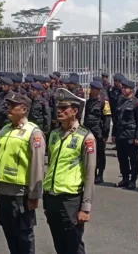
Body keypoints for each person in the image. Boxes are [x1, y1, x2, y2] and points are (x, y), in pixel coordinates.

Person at [44, 88, 96, 254]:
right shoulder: (53, 135)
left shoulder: (85, 137)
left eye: (63, 108)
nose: (59, 111)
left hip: (71, 199)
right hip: (52, 197)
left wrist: (85, 207)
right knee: (59, 244)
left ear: (74, 111)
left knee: (73, 245)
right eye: (58, 108)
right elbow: (52, 163)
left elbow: (89, 174)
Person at [0, 92, 46, 254]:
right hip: (4, 191)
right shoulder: (5, 129)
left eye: (12, 106)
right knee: (9, 232)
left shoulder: (34, 133)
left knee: (23, 235)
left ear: (24, 109)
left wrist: (34, 195)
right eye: (8, 105)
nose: (8, 108)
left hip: (21, 194)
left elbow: (37, 167)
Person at [113, 78, 138, 190]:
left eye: (126, 88)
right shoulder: (120, 101)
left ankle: (133, 181)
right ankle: (125, 179)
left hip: (131, 135)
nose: (123, 90)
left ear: (131, 90)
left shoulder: (137, 103)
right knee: (122, 158)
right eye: (123, 88)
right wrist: (113, 134)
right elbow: (116, 119)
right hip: (120, 134)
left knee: (133, 159)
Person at [84, 81, 111, 184]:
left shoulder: (104, 102)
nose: (91, 90)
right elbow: (86, 116)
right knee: (90, 153)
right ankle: (92, 173)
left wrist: (105, 135)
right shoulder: (89, 102)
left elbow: (107, 119)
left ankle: (100, 175)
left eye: (93, 89)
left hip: (98, 132)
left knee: (100, 154)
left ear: (98, 90)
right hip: (89, 131)